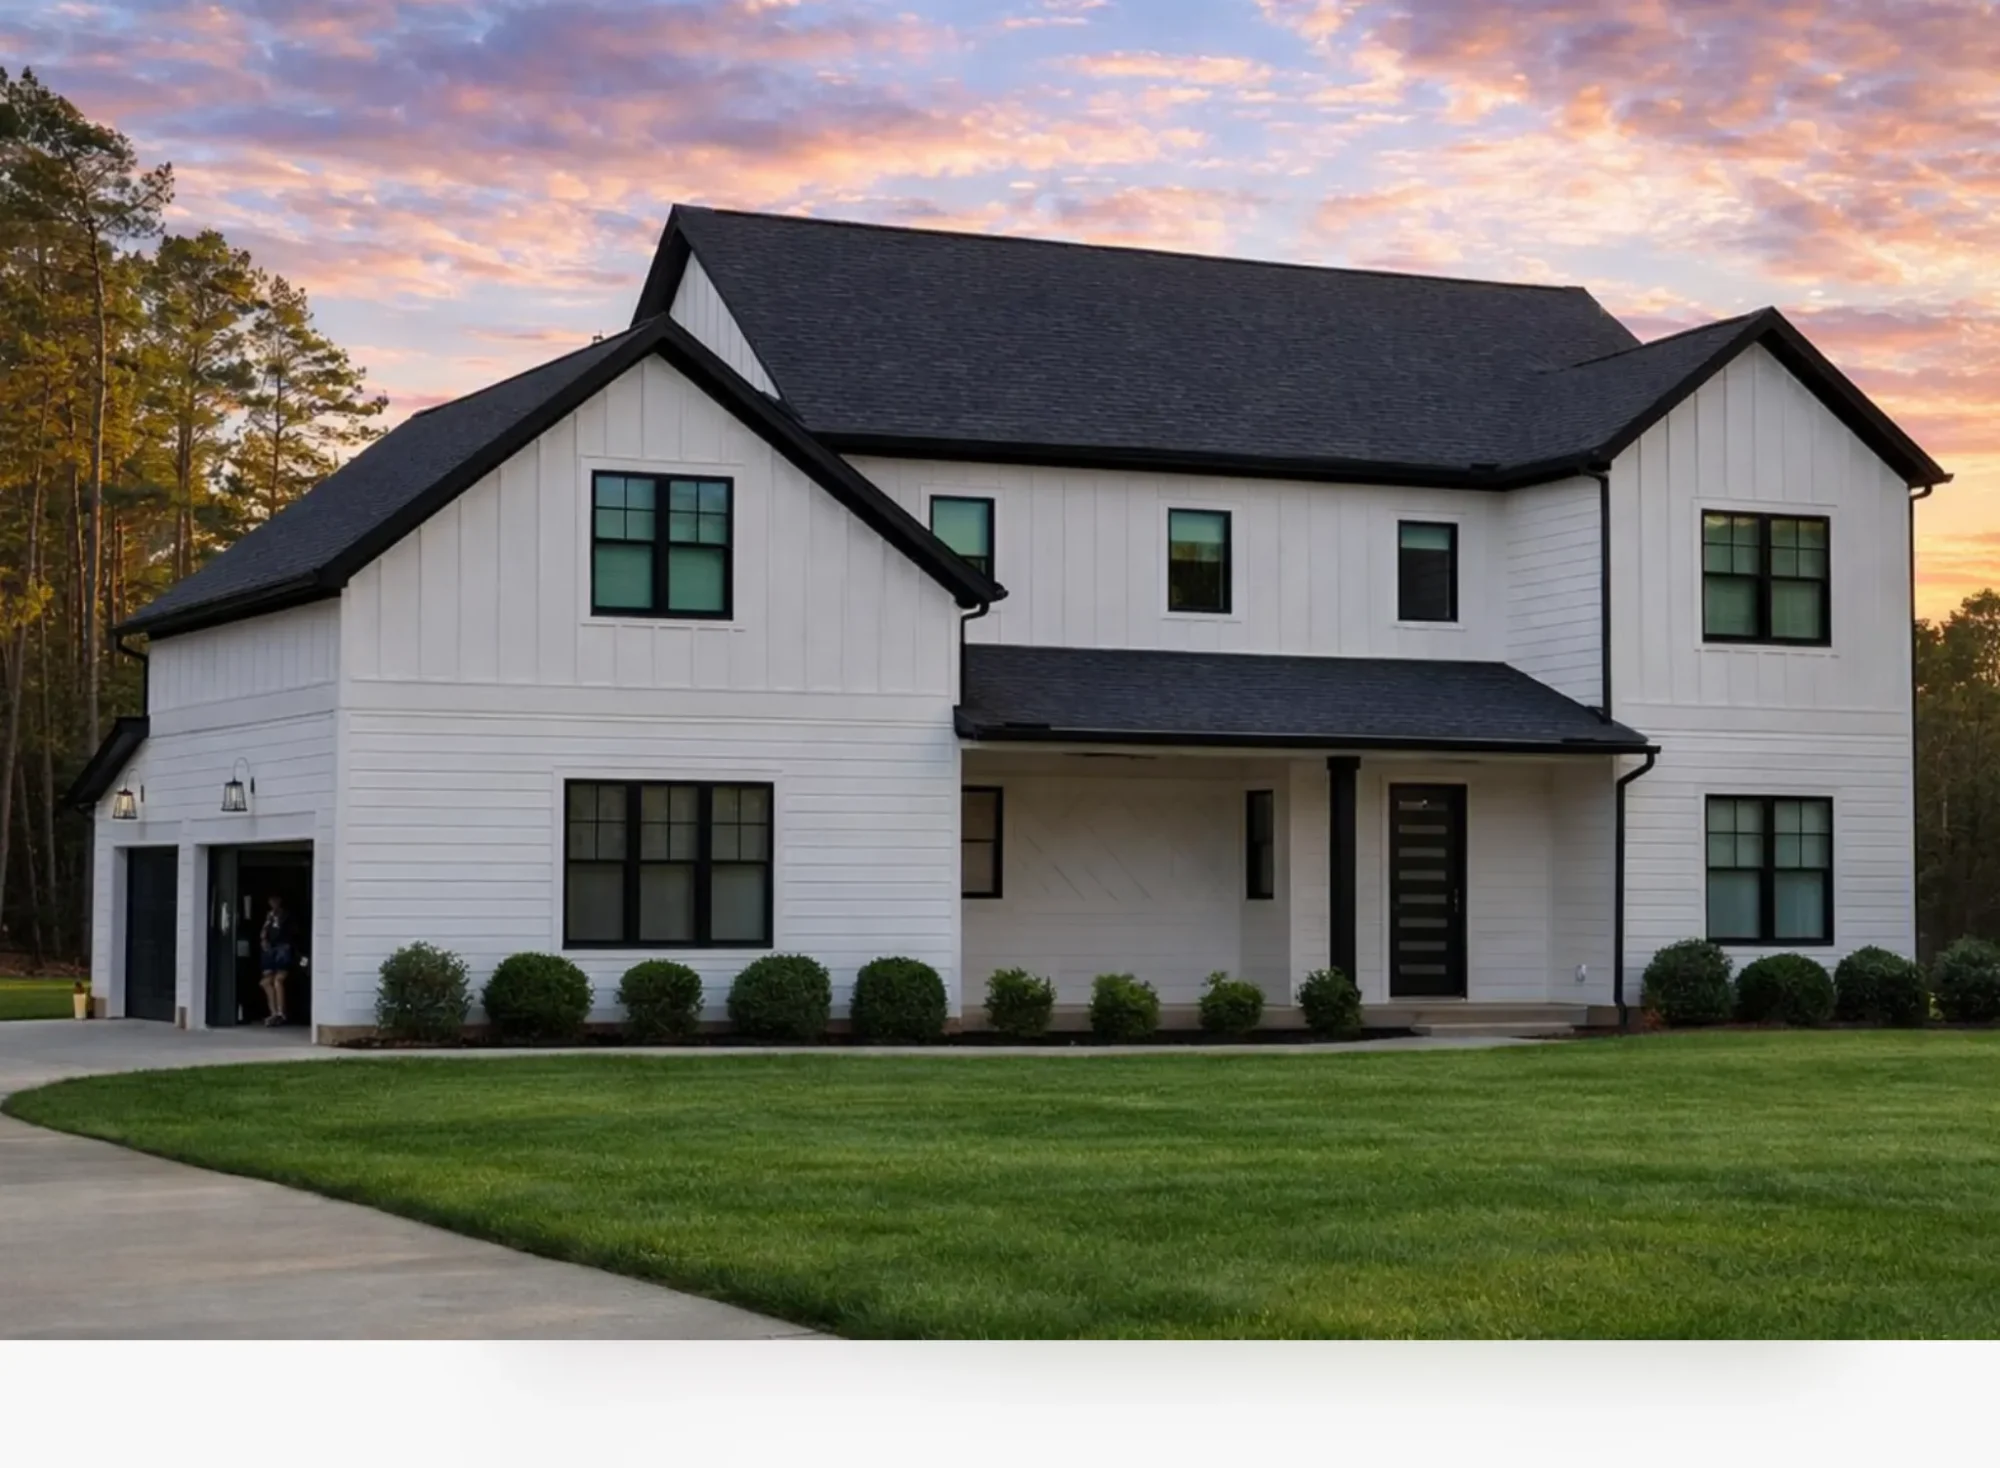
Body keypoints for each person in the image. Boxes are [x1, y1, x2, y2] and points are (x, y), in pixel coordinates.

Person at [258, 895, 294, 1027]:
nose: (273, 903)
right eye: (271, 900)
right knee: (265, 982)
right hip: (270, 950)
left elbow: (289, 933)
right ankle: (273, 1012)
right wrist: (264, 940)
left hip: (282, 948)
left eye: (276, 900)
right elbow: (263, 933)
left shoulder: (286, 916)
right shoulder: (268, 916)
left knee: (278, 980)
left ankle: (281, 1012)